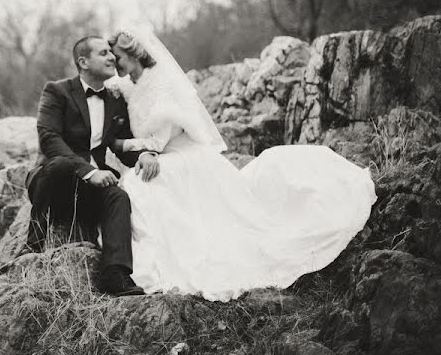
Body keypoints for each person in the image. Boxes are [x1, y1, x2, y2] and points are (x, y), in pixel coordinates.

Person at [104, 27, 377, 301]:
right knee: (136, 186)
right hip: (163, 158)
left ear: (134, 52)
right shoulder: (131, 85)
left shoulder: (162, 83)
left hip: (182, 157)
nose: (115, 64)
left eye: (118, 57)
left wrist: (119, 146)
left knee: (142, 187)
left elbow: (158, 142)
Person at [25, 35, 160, 297]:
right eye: (103, 53)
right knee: (61, 164)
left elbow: (120, 143)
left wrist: (145, 154)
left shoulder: (114, 99)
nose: (112, 57)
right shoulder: (57, 91)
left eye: (112, 53)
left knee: (118, 196)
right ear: (83, 62)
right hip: (53, 183)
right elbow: (49, 139)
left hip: (87, 196)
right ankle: (32, 247)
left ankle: (115, 274)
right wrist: (88, 172)